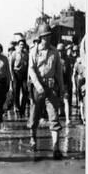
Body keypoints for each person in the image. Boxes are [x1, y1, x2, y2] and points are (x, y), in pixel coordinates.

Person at [28, 23, 64, 159]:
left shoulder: (55, 52)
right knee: (34, 116)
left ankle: (56, 147)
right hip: (37, 88)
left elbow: (59, 72)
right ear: (40, 37)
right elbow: (31, 70)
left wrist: (61, 88)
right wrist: (38, 86)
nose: (47, 39)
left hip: (51, 87)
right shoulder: (34, 52)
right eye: (45, 37)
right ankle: (32, 138)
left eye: (49, 36)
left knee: (54, 116)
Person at [10, 36, 29, 118]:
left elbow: (28, 65)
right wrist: (12, 76)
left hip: (24, 74)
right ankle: (17, 107)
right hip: (16, 73)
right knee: (16, 92)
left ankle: (23, 108)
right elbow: (11, 65)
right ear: (18, 45)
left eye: (23, 45)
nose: (22, 46)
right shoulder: (14, 54)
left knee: (25, 91)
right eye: (20, 44)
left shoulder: (26, 54)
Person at [57, 42, 72, 124]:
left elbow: (69, 72)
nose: (60, 52)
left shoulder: (67, 60)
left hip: (65, 83)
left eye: (62, 50)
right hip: (57, 83)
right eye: (59, 50)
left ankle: (67, 118)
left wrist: (69, 83)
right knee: (57, 101)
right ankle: (58, 116)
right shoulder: (55, 58)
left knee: (66, 100)